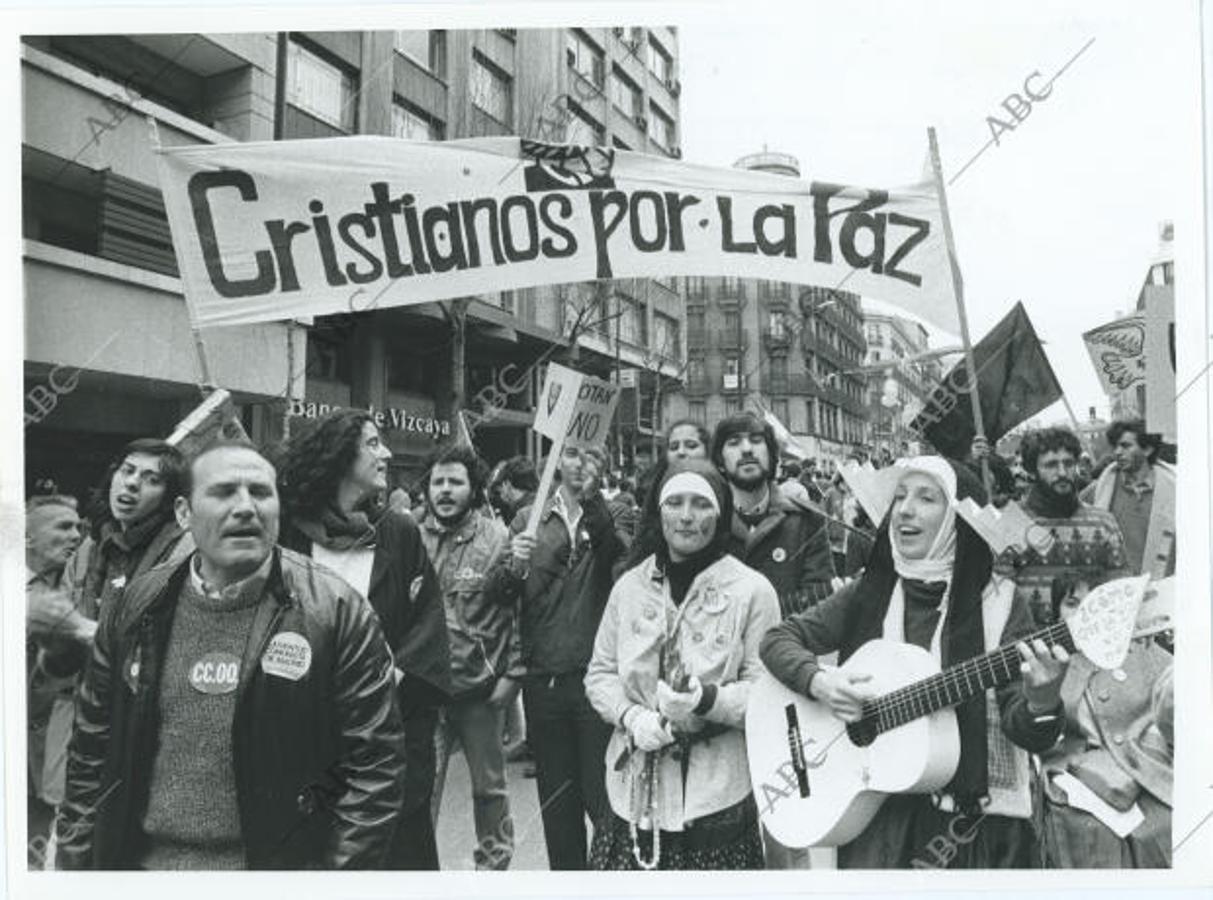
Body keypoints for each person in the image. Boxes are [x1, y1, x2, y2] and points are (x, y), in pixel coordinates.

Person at [54, 441, 405, 869]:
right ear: (184, 514)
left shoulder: (337, 611)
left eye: (260, 493)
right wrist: (74, 868)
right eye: (223, 492)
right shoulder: (137, 605)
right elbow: (91, 751)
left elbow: (374, 770)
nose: (245, 508)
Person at [759, 456, 1069, 868]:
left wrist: (1042, 702)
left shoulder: (1002, 602)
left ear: (957, 519)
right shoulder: (867, 592)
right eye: (900, 496)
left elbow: (1026, 731)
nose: (904, 509)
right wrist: (820, 683)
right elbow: (777, 639)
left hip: (970, 831)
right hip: (879, 823)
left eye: (927, 498)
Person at [276, 410, 452, 870]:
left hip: (387, 737)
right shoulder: (287, 535)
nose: (386, 453)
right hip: (306, 737)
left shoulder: (399, 533)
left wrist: (390, 679)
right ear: (337, 456)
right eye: (373, 444)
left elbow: (428, 622)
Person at [585, 460, 781, 869]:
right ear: (658, 512)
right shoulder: (628, 587)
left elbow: (767, 694)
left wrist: (706, 700)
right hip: (632, 794)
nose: (687, 517)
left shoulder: (752, 591)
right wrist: (632, 716)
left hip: (716, 797)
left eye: (701, 505)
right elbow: (600, 673)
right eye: (675, 503)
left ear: (721, 514)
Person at [500, 444, 630, 869]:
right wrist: (511, 567)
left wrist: (593, 504)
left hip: (597, 683)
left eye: (591, 455)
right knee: (559, 812)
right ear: (555, 462)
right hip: (545, 680)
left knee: (605, 803)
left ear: (604, 466)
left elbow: (618, 562)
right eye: (571, 453)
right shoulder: (528, 517)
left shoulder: (618, 513)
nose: (579, 463)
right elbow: (500, 593)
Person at [417, 443, 521, 870]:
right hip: (424, 692)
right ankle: (418, 873)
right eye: (437, 482)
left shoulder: (499, 540)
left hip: (479, 692)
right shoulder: (410, 537)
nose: (444, 490)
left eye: (455, 482)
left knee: (489, 791)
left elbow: (517, 616)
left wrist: (512, 676)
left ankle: (492, 871)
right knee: (421, 790)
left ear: (473, 488)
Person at [1036, 574, 1173, 868]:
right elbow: (1045, 734)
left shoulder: (1147, 652)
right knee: (1087, 835)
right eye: (1072, 604)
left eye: (1094, 606)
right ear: (1057, 613)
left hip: (1150, 775)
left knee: (1165, 829)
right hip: (1079, 784)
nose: (1085, 616)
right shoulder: (1050, 666)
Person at [994, 428, 1132, 627]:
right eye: (1051, 465)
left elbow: (1121, 589)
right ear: (1032, 470)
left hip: (1090, 640)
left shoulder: (1103, 523)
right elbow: (999, 597)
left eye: (1068, 463)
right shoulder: (1011, 522)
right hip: (1029, 647)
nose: (1062, 472)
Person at [710, 412, 834, 619]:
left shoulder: (808, 522)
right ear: (720, 462)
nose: (747, 449)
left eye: (756, 441)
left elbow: (819, 611)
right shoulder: (707, 523)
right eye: (734, 443)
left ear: (772, 456)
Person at [66, 439, 195, 619]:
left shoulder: (182, 553)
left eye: (152, 480)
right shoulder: (88, 550)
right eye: (127, 471)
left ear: (169, 498)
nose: (132, 483)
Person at [26, 494, 87, 865]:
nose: (76, 535)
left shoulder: (68, 591)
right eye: (64, 527)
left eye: (79, 527)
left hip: (53, 755)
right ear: (28, 538)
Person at [1080, 420, 1176, 578]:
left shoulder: (1173, 490)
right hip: (1112, 585)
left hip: (1159, 585)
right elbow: (1073, 510)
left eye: (1125, 446)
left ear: (1147, 449)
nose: (1117, 452)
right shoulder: (1102, 485)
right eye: (1115, 446)